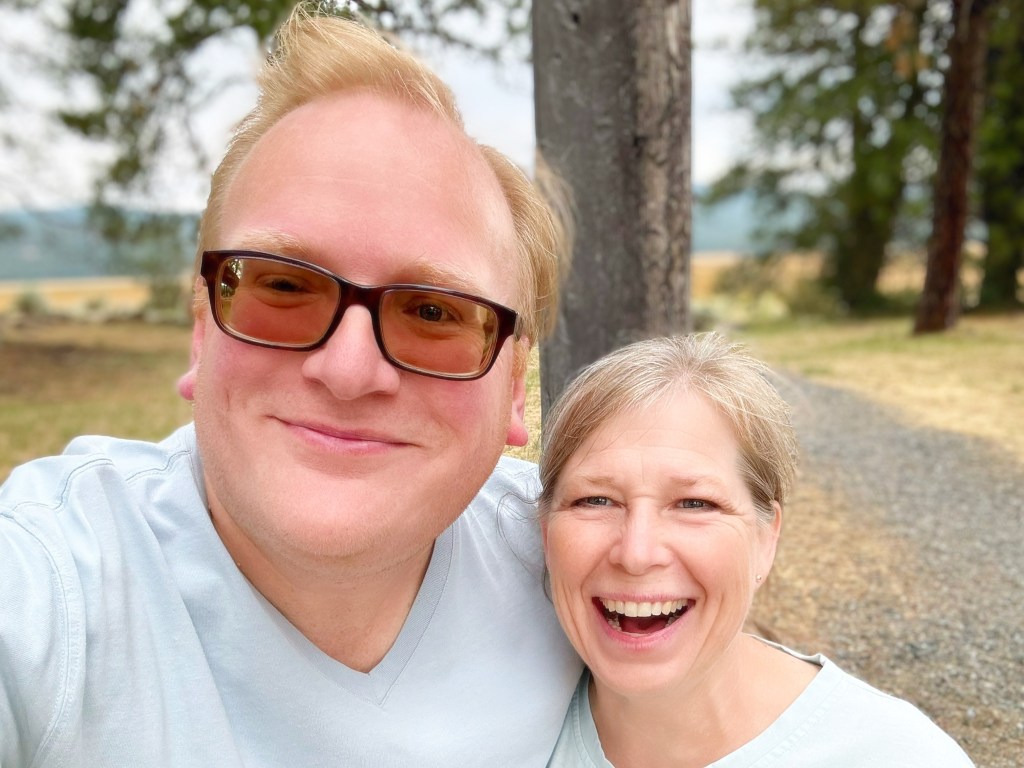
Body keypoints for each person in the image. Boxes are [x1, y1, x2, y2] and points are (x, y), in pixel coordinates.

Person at [0, 5, 582, 766]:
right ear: (203, 330)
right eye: (280, 286)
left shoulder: (579, 571)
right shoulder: (51, 588)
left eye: (434, 311)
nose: (347, 371)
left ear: (515, 387)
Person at [538, 333, 974, 767]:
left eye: (695, 504)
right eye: (595, 500)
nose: (636, 553)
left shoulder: (896, 756)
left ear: (767, 539)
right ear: (544, 530)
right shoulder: (501, 728)